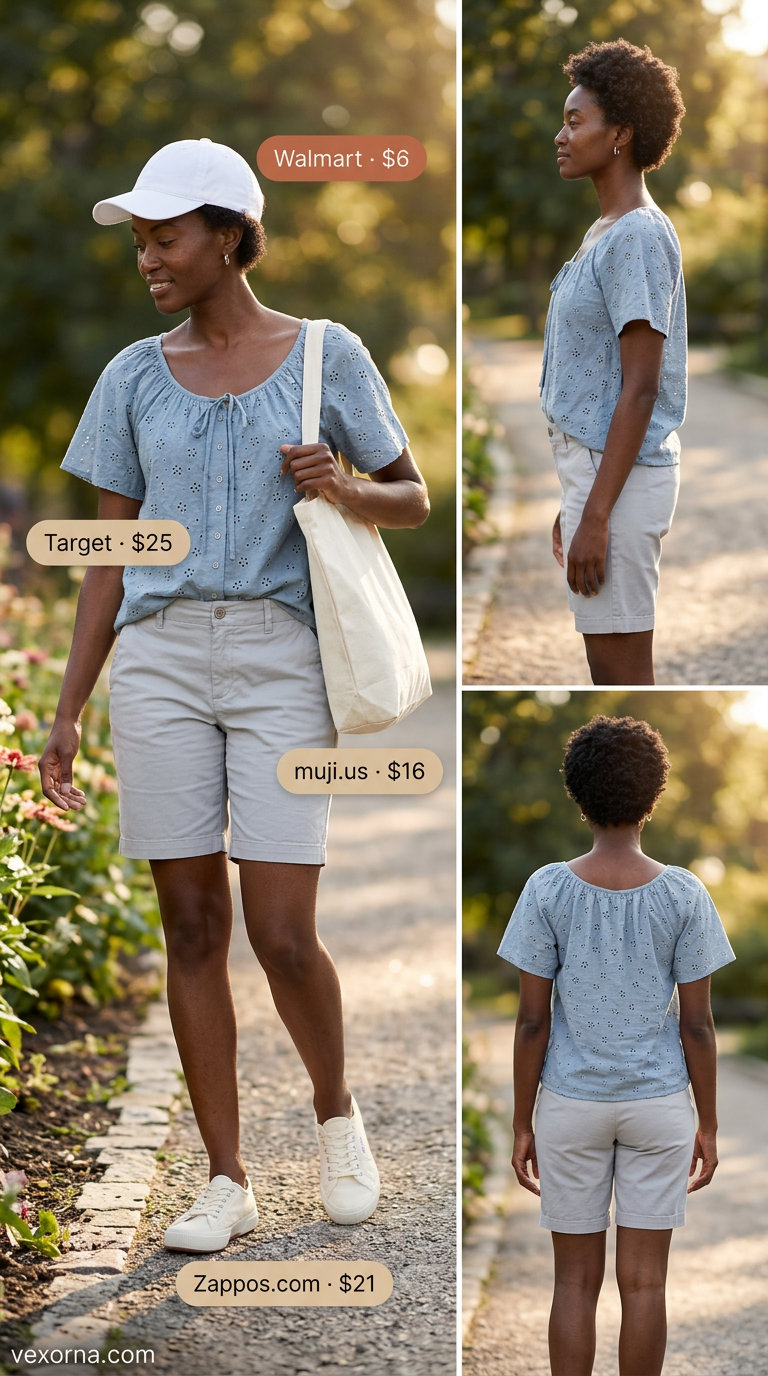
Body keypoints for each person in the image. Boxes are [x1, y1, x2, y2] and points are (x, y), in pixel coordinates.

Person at [39, 138, 429, 1252]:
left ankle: (336, 1113)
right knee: (192, 924)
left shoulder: (326, 354)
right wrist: (68, 710)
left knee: (281, 929)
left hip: (278, 658)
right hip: (160, 660)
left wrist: (345, 485)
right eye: (141, 239)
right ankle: (227, 1176)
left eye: (165, 236)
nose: (148, 256)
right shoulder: (129, 374)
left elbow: (410, 497)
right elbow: (109, 559)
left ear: (227, 235)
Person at [497, 715, 735, 1376]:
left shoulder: (547, 888)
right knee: (646, 1286)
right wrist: (708, 1124)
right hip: (658, 1107)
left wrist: (523, 1122)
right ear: (654, 793)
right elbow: (698, 1026)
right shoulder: (684, 894)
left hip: (572, 1105)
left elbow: (531, 1023)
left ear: (577, 793)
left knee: (573, 1285)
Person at [541, 40, 687, 685]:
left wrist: (596, 514)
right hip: (600, 477)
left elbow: (640, 389)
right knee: (605, 665)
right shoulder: (606, 230)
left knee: (621, 673)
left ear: (621, 134)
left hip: (619, 486)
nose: (561, 135)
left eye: (577, 121)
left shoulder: (637, 236)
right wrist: (576, 498)